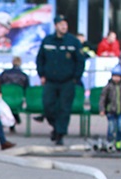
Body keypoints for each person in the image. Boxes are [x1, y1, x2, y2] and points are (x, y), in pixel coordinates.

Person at [36, 15, 85, 146]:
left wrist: (76, 77)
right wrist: (41, 74)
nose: (64, 26)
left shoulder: (73, 41)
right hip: (51, 80)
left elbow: (80, 61)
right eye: (61, 24)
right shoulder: (48, 41)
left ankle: (60, 134)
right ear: (56, 26)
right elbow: (40, 59)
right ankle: (56, 127)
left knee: (64, 108)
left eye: (65, 24)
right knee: (48, 105)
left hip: (67, 81)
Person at [0, 56, 30, 131]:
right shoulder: (24, 76)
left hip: (5, 99)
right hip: (17, 101)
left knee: (10, 103)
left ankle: (13, 121)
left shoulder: (4, 74)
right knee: (14, 103)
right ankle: (15, 120)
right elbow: (27, 90)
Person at [98, 64, 121, 152]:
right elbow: (103, 99)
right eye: (114, 76)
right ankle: (110, 142)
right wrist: (102, 109)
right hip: (111, 111)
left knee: (120, 126)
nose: (116, 78)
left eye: (118, 76)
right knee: (111, 127)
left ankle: (118, 142)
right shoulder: (108, 87)